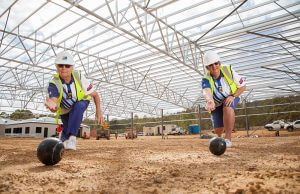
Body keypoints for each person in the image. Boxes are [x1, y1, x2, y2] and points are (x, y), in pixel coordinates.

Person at [45, 51, 104, 150]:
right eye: (60, 65)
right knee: (66, 130)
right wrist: (52, 107)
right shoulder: (53, 83)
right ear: (57, 67)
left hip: (81, 102)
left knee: (79, 107)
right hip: (65, 109)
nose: (64, 68)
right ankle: (63, 138)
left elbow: (95, 95)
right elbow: (54, 103)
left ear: (72, 67)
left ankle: (72, 138)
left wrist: (99, 111)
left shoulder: (79, 76)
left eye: (67, 65)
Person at [202, 51, 246, 147]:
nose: (214, 67)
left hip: (231, 96)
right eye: (210, 65)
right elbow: (206, 90)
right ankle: (219, 137)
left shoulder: (228, 70)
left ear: (219, 63)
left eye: (216, 63)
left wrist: (233, 96)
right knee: (218, 129)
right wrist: (210, 101)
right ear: (207, 68)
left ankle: (228, 139)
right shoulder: (206, 78)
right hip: (216, 103)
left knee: (227, 107)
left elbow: (243, 87)